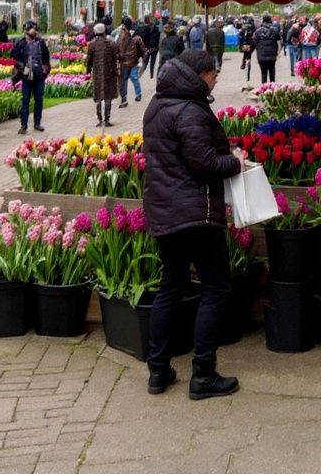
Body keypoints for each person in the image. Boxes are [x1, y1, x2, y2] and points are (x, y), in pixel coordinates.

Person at [142, 49, 244, 400]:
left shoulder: (158, 104)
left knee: (171, 286)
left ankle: (158, 371)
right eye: (215, 73)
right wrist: (235, 163)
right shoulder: (190, 110)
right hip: (195, 214)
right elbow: (202, 163)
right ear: (200, 74)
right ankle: (203, 373)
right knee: (216, 286)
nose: (217, 79)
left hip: (164, 211)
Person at [11, 21, 52, 134]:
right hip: (26, 75)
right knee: (25, 101)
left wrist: (45, 71)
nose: (35, 31)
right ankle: (23, 125)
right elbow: (14, 57)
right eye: (33, 29)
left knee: (39, 100)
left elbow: (46, 57)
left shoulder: (41, 43)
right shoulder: (21, 43)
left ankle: (37, 123)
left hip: (39, 75)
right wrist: (21, 68)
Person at [86, 23, 122, 127]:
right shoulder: (111, 43)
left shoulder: (92, 44)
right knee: (108, 97)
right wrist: (116, 70)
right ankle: (107, 119)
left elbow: (89, 59)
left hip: (97, 73)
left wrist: (88, 70)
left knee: (98, 96)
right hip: (109, 73)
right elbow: (116, 57)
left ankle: (99, 119)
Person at [116, 22, 147, 107]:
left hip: (133, 62)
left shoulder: (136, 39)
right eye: (120, 32)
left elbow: (142, 50)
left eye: (122, 32)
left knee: (134, 78)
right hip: (124, 63)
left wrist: (143, 59)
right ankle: (124, 98)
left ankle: (138, 94)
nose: (121, 33)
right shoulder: (119, 40)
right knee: (123, 81)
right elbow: (117, 51)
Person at [253, 14, 280, 84]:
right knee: (272, 74)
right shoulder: (275, 30)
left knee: (263, 74)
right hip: (272, 56)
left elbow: (254, 42)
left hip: (261, 56)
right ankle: (273, 89)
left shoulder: (258, 31)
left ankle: (264, 90)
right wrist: (278, 53)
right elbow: (279, 42)